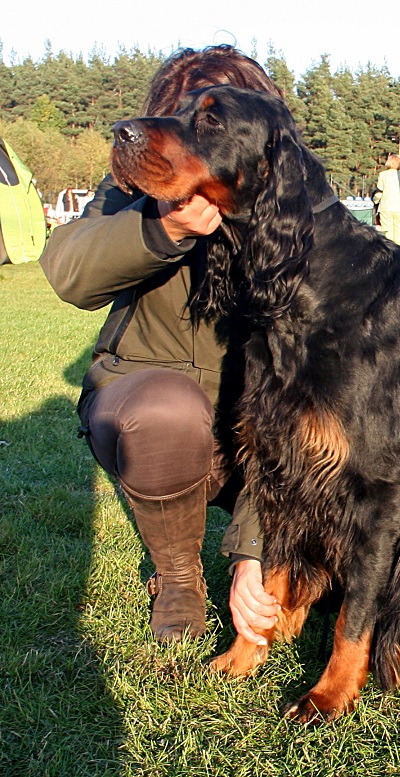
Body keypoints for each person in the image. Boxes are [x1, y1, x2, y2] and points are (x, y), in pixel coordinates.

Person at [39, 46, 282, 646]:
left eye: (208, 120)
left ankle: (260, 554)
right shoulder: (134, 188)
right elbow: (69, 271)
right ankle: (177, 578)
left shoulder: (287, 220)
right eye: (174, 116)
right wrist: (162, 225)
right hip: (161, 425)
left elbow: (301, 408)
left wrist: (254, 552)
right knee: (164, 407)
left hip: (257, 439)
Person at [374, 153, 400, 245]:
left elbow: (380, 189)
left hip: (386, 207)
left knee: (387, 235)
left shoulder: (382, 175)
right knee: (399, 236)